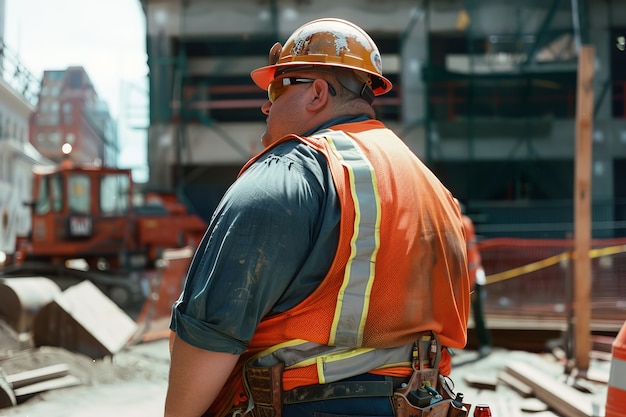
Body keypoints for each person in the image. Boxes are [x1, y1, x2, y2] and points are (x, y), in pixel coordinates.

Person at [165, 18, 470, 417]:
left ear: (317, 93)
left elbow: (208, 337)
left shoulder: (287, 174)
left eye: (277, 88)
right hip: (424, 403)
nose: (265, 104)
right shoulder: (431, 187)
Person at [462, 212, 492, 357]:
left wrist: (471, 285)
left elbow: (470, 260)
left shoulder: (461, 224)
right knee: (473, 314)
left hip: (471, 278)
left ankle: (485, 344)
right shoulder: (466, 222)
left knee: (475, 313)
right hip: (469, 277)